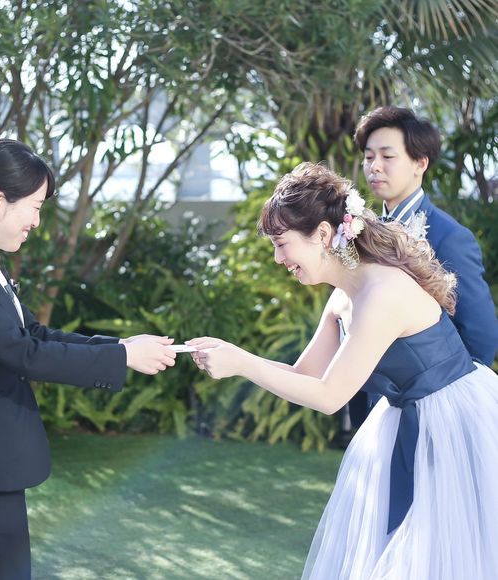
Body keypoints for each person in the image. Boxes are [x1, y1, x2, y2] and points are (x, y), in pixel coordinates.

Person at [187, 162, 498, 579]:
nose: (279, 258)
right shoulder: (341, 298)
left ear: (321, 234)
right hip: (403, 420)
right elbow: (306, 374)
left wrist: (242, 363)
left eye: (282, 244)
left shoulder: (382, 291)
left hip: (453, 422)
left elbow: (330, 397)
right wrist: (235, 357)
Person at [0, 139, 177, 580]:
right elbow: (24, 354)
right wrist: (122, 357)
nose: (36, 222)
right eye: (35, 207)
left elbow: (33, 335)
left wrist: (120, 347)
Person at [343, 105, 498, 430]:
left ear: (420, 163)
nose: (374, 166)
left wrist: (443, 406)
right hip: (371, 409)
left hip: (431, 414)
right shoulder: (358, 231)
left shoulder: (449, 237)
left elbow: (480, 338)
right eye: (369, 157)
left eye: (387, 156)